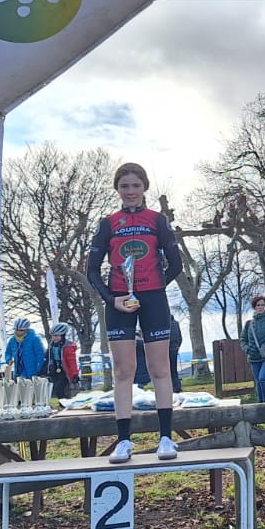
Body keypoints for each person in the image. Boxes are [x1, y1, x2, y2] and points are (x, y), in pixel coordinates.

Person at [86, 162, 184, 464]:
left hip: (153, 300)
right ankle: (124, 441)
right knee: (124, 371)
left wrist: (154, 290)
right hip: (119, 303)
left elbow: (176, 264)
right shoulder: (107, 223)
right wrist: (112, 299)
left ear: (145, 188)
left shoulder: (157, 220)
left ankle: (166, 438)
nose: (130, 191)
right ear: (117, 189)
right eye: (124, 186)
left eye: (135, 186)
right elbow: (91, 270)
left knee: (159, 369)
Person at [44, 323, 81, 401]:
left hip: (64, 371)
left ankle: (65, 402)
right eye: (53, 336)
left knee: (60, 389)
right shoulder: (51, 346)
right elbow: (48, 358)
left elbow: (72, 361)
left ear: (62, 336)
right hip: (54, 371)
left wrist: (75, 374)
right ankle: (63, 403)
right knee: (54, 390)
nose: (54, 338)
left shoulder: (68, 347)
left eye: (57, 336)